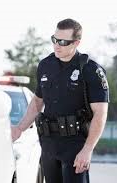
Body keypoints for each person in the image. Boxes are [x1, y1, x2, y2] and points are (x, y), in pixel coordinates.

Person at [11, 18, 109, 183]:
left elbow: (100, 113)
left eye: (63, 42)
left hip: (75, 145)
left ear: (76, 43)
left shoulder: (90, 70)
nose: (57, 45)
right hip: (48, 144)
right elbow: (37, 102)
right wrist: (20, 128)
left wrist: (87, 150)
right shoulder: (45, 65)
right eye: (54, 40)